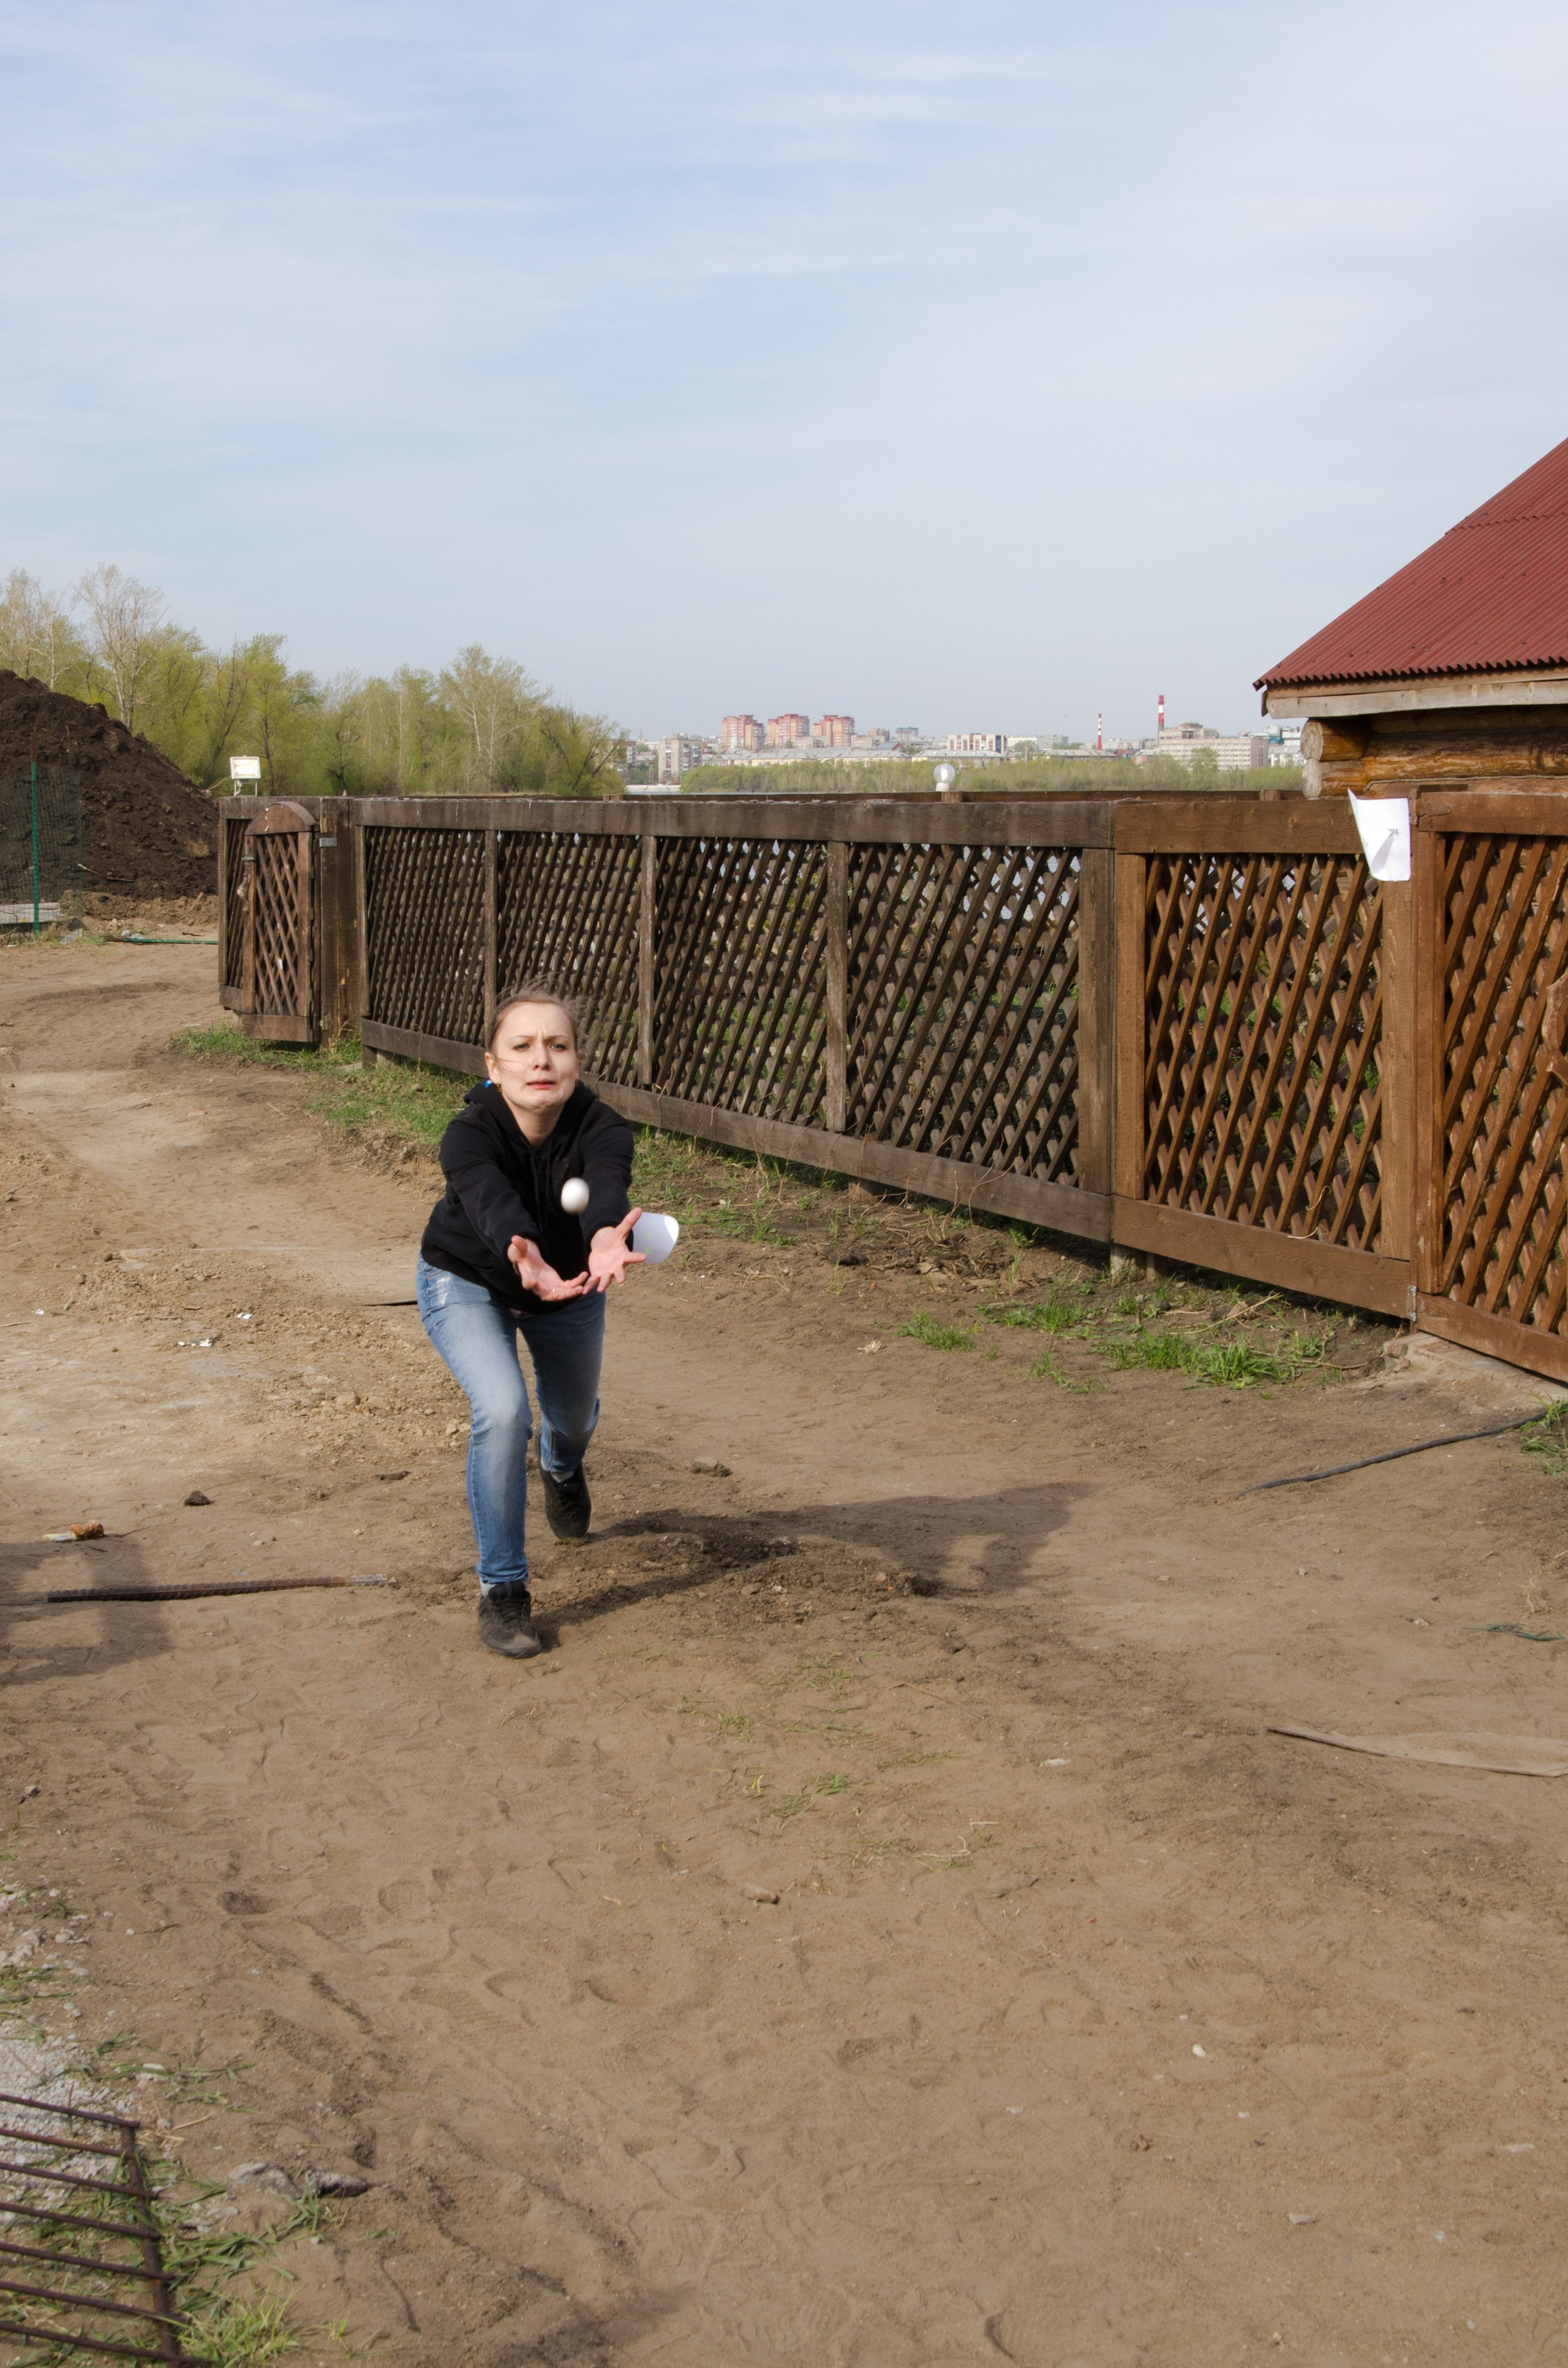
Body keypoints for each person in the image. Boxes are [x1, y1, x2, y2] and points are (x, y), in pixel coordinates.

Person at [415, 983, 644, 1659]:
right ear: (494, 1065)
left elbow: (606, 1184)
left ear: (576, 1061)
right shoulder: (467, 1133)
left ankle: (563, 1467)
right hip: (468, 1279)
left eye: (558, 1044)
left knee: (570, 1419)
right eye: (522, 1046)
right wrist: (521, 1246)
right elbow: (485, 1195)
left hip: (571, 1286)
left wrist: (605, 1236)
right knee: (504, 1409)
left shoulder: (603, 1128)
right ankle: (504, 1590)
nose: (541, 1058)